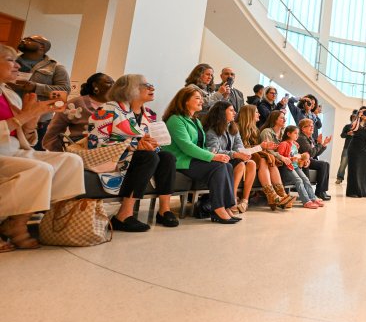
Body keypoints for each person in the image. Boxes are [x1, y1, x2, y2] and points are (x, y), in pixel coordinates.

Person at [0, 44, 84, 250]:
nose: (17, 65)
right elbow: (16, 123)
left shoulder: (8, 93)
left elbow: (24, 136)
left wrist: (32, 118)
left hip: (12, 149)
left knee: (70, 161)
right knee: (39, 168)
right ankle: (17, 225)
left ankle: (17, 221)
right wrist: (24, 116)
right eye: (10, 60)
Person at [88, 74, 179, 231]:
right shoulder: (108, 109)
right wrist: (133, 146)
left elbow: (153, 144)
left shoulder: (149, 114)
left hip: (139, 158)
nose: (152, 88)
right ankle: (123, 215)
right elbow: (95, 143)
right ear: (129, 89)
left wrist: (152, 144)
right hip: (113, 159)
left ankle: (164, 210)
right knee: (148, 156)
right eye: (146, 85)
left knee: (167, 157)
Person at [162, 87, 239, 224]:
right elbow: (187, 146)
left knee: (226, 165)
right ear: (185, 101)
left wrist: (213, 154)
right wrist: (213, 157)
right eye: (197, 98)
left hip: (194, 159)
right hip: (182, 161)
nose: (202, 101)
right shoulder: (175, 120)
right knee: (219, 167)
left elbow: (200, 146)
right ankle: (218, 209)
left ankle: (227, 207)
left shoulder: (195, 121)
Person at [8, 35, 71, 150]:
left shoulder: (56, 67)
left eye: (29, 40)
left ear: (42, 47)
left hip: (38, 121)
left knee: (31, 153)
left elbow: (64, 91)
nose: (23, 40)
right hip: (8, 116)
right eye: (24, 38)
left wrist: (36, 87)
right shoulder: (9, 61)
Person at [237, 105, 293, 210]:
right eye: (256, 112)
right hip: (243, 156)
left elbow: (258, 147)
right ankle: (272, 195)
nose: (259, 114)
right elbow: (242, 149)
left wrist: (265, 148)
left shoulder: (255, 130)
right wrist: (263, 147)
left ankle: (281, 194)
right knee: (264, 159)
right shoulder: (238, 128)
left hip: (253, 155)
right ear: (249, 114)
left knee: (269, 159)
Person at [203, 101, 254, 213]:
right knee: (240, 164)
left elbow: (239, 145)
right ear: (221, 113)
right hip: (219, 159)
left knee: (251, 163)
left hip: (231, 158)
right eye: (231, 110)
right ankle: (232, 198)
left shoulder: (233, 127)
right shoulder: (211, 130)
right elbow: (215, 151)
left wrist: (243, 153)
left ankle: (245, 200)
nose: (234, 113)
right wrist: (235, 154)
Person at [43, 73, 114, 152]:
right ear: (95, 85)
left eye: (114, 83)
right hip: (80, 152)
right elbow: (52, 133)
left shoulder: (115, 106)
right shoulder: (75, 104)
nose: (113, 85)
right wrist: (59, 153)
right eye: (109, 82)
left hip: (109, 153)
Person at [260, 111, 299, 209]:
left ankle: (281, 195)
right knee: (270, 161)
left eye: (284, 117)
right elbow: (268, 150)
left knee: (272, 162)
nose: (284, 119)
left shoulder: (283, 133)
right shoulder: (267, 131)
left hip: (277, 160)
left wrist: (292, 143)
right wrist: (282, 157)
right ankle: (277, 196)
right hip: (269, 158)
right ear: (274, 119)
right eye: (281, 118)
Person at [277, 125, 323, 209]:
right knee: (298, 180)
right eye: (295, 133)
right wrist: (291, 159)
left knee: (305, 179)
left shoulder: (295, 145)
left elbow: (296, 155)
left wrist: (301, 159)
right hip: (287, 167)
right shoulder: (284, 144)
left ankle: (312, 198)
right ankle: (306, 201)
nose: (297, 135)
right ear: (288, 134)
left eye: (298, 133)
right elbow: (279, 158)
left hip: (295, 166)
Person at [296, 118, 332, 201]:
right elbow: (311, 153)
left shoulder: (310, 138)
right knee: (323, 164)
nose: (312, 127)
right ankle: (319, 192)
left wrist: (323, 144)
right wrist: (319, 144)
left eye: (312, 126)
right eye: (309, 126)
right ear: (303, 128)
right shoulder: (302, 138)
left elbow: (316, 153)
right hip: (303, 159)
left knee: (326, 164)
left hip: (309, 159)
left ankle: (322, 191)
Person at [346, 106, 366, 198]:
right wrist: (358, 117)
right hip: (354, 148)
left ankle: (365, 191)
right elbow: (354, 128)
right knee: (354, 169)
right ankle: (353, 192)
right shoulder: (356, 122)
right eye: (363, 113)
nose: (364, 115)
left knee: (365, 170)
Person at [335, 110, 357, 184]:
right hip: (347, 148)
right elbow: (342, 135)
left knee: (355, 165)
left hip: (356, 149)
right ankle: (339, 178)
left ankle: (353, 180)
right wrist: (348, 133)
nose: (354, 118)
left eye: (355, 117)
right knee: (343, 163)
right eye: (353, 117)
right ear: (351, 117)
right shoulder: (347, 126)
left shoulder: (360, 128)